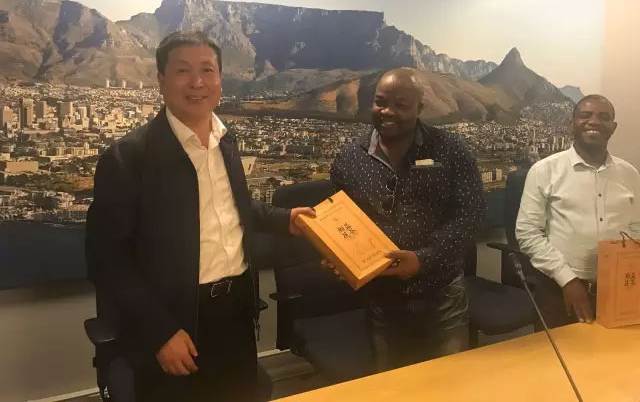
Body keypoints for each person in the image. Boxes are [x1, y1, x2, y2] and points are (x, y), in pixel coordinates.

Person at [85, 31, 314, 402]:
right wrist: (159, 332)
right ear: (161, 80)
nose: (197, 82)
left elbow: (233, 205)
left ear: (220, 79)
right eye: (183, 71)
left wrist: (283, 217)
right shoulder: (128, 158)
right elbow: (107, 261)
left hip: (237, 309)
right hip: (173, 318)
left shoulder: (225, 141)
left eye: (208, 70)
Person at [329, 67, 486, 372]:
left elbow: (471, 214)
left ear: (419, 108)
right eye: (380, 102)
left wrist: (423, 260)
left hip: (442, 295)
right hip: (382, 299)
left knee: (450, 382)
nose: (387, 111)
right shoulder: (350, 158)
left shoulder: (451, 150)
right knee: (392, 385)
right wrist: (338, 253)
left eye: (400, 105)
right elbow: (340, 220)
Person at [516, 94, 640, 329]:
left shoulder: (630, 174)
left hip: (617, 289)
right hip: (559, 290)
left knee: (615, 350)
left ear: (613, 127)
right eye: (585, 115)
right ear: (572, 123)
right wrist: (568, 279)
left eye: (603, 117)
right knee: (561, 351)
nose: (594, 121)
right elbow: (528, 233)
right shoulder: (544, 171)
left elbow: (636, 229)